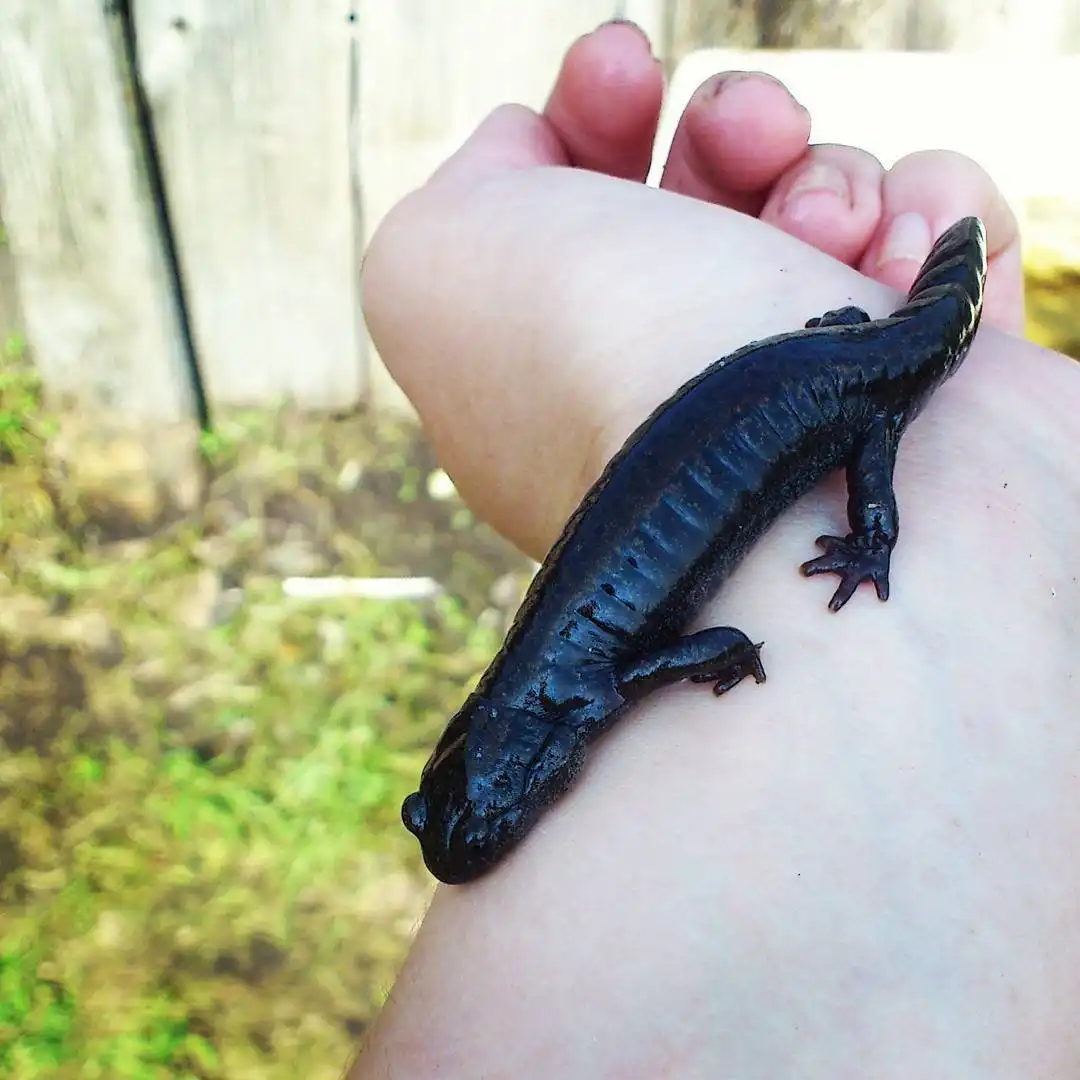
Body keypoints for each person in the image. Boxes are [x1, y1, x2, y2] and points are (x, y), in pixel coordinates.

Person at [352, 19, 1080, 1079]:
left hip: (853, 393)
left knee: (867, 472)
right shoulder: (561, 677)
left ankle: (875, 534)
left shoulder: (595, 685)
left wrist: (838, 575)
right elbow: (711, 643)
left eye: (492, 811)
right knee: (847, 374)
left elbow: (727, 642)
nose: (470, 830)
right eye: (480, 814)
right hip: (810, 358)